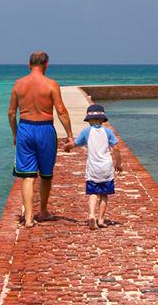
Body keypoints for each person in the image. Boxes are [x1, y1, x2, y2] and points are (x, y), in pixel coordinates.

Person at [8, 51, 73, 228]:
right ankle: (43, 211)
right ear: (46, 64)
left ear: (29, 65)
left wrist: (15, 134)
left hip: (25, 128)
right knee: (45, 175)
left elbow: (12, 113)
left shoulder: (18, 84)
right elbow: (61, 111)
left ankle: (29, 218)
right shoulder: (51, 84)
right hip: (45, 129)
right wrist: (69, 135)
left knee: (27, 176)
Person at [68, 104, 122, 230]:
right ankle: (101, 219)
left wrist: (67, 147)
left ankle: (92, 214)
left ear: (89, 120)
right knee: (104, 195)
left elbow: (75, 144)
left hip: (93, 168)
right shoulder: (108, 132)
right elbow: (116, 148)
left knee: (93, 193)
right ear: (102, 119)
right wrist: (118, 164)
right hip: (106, 168)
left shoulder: (86, 132)